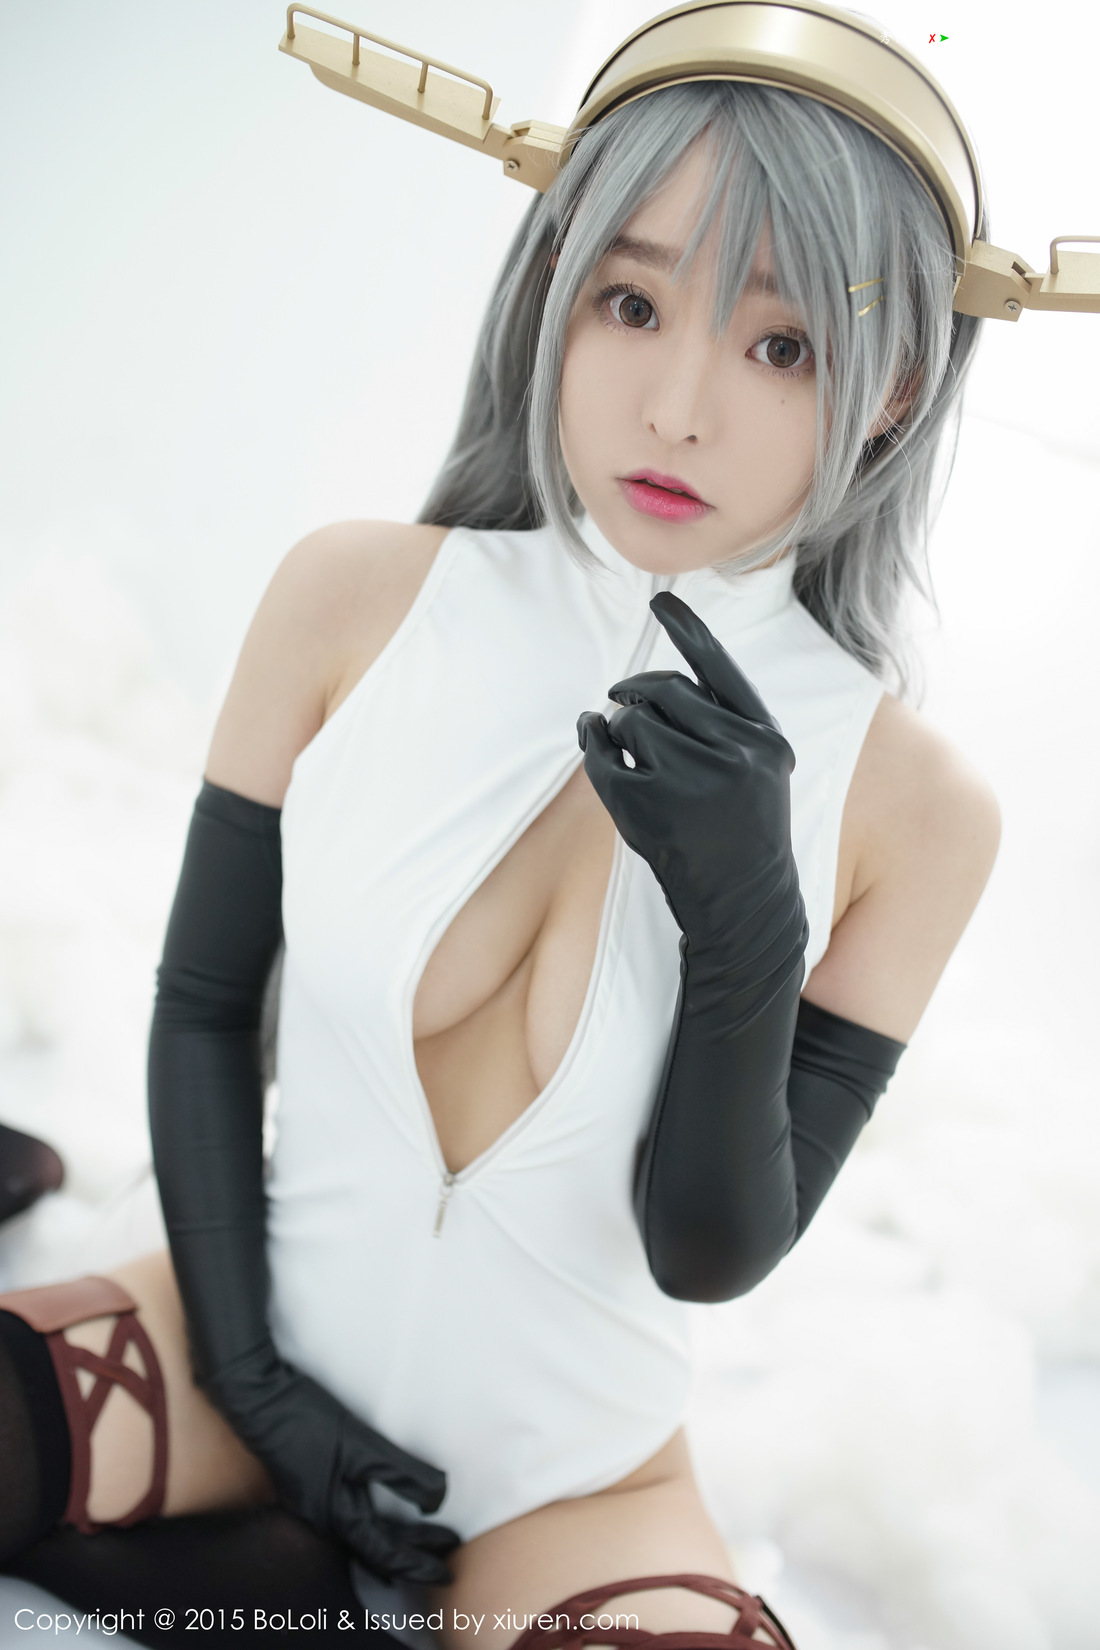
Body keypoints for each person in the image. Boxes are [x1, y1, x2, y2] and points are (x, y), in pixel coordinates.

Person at [0, 6, 1009, 1645]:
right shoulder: (352, 597)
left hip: (576, 1486)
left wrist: (750, 935)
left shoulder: (919, 809)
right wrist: (254, 1382)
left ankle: (263, 1586)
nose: (676, 408)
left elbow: (706, 1253)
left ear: (892, 385)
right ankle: (264, 1559)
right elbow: (204, 1005)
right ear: (555, 285)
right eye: (633, 301)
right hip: (222, 1342)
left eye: (781, 346)